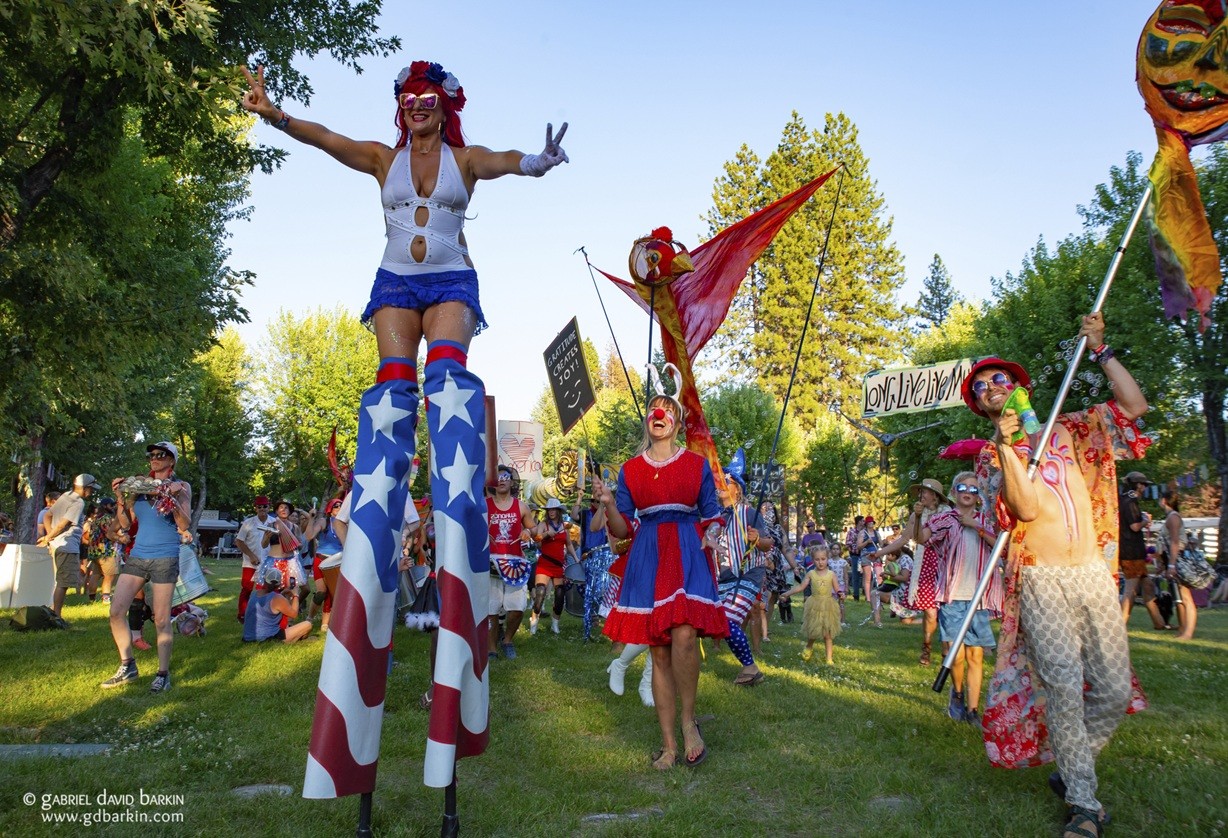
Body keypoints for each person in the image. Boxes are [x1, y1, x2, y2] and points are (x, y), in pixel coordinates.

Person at [242, 62, 568, 785]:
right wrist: (274, 114)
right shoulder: (383, 160)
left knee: (446, 380)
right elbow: (325, 139)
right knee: (393, 388)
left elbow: (510, 163)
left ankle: (451, 497)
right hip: (395, 282)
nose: (416, 110)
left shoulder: (462, 160)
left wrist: (541, 162)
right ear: (400, 109)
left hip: (450, 282)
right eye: (407, 102)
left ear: (443, 108)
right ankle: (385, 490)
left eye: (427, 102)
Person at [966, 312, 1149, 838]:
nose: (989, 387)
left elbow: (1135, 408)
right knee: (1065, 691)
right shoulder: (988, 459)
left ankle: (1073, 770)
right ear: (980, 406)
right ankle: (1084, 808)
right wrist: (1006, 448)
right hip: (1043, 582)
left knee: (1113, 690)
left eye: (997, 379)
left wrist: (1101, 349)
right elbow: (1022, 512)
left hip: (1092, 574)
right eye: (980, 388)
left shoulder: (1072, 429)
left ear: (1018, 386)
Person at [595, 387, 728, 771]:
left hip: (686, 549)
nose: (659, 414)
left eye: (667, 410)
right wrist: (607, 504)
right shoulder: (631, 469)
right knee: (657, 649)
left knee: (684, 636)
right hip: (649, 552)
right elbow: (621, 529)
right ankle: (668, 745)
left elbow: (711, 513)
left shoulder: (696, 465)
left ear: (677, 422)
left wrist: (713, 535)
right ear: (647, 420)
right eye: (654, 409)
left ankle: (689, 723)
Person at [103, 442, 191, 693]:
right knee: (116, 611)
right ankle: (127, 665)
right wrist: (121, 498)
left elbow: (184, 525)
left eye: (160, 455)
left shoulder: (181, 487)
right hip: (138, 555)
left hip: (165, 555)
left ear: (171, 461)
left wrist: (171, 497)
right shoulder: (138, 485)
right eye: (151, 455)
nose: (154, 458)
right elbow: (124, 522)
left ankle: (163, 674)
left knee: (162, 618)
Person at [918, 472, 1002, 727]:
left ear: (979, 496)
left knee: (976, 655)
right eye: (962, 487)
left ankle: (973, 709)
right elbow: (922, 538)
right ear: (954, 492)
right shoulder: (945, 518)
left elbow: (1002, 547)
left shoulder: (986, 520)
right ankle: (956, 694)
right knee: (956, 654)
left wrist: (974, 525)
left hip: (978, 597)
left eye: (974, 489)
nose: (968, 491)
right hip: (953, 595)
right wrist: (919, 516)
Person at [487, 465, 540, 660]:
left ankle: (507, 640)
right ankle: (491, 648)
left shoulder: (521, 506)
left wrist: (528, 532)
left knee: (517, 608)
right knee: (491, 609)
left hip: (515, 564)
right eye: (497, 477)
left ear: (511, 481)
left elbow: (534, 529)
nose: (501, 480)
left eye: (505, 476)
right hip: (491, 563)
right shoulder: (485, 505)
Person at [38, 474, 99, 618]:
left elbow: (48, 516)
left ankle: (54, 613)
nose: (92, 492)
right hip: (68, 545)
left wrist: (50, 537)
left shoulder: (66, 496)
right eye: (91, 489)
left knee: (59, 580)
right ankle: (57, 616)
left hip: (57, 544)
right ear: (85, 488)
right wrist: (48, 537)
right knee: (63, 582)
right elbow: (62, 524)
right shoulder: (78, 503)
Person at [1118, 472, 1165, 629]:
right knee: (1130, 590)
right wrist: (1146, 521)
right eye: (1144, 485)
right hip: (1131, 552)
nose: (1145, 488)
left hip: (1134, 551)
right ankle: (1120, 625)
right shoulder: (1130, 502)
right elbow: (1134, 526)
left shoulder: (1123, 499)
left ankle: (1159, 623)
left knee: (1148, 586)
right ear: (1138, 485)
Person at [785, 545, 841, 664]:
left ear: (827, 558)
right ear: (813, 559)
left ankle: (829, 659)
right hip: (815, 604)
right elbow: (801, 586)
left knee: (828, 633)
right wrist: (787, 593)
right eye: (817, 559)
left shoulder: (831, 574)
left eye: (823, 559)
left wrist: (841, 593)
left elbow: (837, 588)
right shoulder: (811, 573)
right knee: (814, 631)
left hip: (828, 605)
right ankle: (809, 646)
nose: (820, 562)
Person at [531, 497, 577, 636]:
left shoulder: (564, 526)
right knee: (540, 593)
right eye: (549, 510)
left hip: (558, 565)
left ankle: (555, 624)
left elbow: (568, 544)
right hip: (545, 563)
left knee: (559, 595)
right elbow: (536, 540)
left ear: (558, 511)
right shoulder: (543, 524)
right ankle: (534, 621)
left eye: (553, 509)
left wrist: (576, 558)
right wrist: (545, 534)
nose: (551, 512)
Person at [1157, 488, 1197, 641]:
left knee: (1186, 598)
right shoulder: (1171, 517)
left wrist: (1172, 565)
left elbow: (1174, 542)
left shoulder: (1173, 517)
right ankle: (1184, 630)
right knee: (1182, 596)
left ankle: (1188, 633)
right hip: (1174, 559)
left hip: (1179, 560)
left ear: (1164, 500)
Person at [303, 497, 345, 631]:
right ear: (330, 510)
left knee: (333, 593)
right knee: (321, 591)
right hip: (321, 560)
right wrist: (311, 519)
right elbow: (309, 536)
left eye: (341, 506)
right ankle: (310, 617)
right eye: (336, 506)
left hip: (338, 561)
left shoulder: (346, 523)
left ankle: (325, 624)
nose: (339, 508)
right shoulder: (324, 521)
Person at [246, 565, 314, 643]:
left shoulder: (254, 594)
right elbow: (294, 614)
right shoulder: (277, 598)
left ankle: (298, 638)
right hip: (268, 638)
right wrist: (296, 595)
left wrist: (282, 594)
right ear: (279, 584)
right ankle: (300, 639)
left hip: (248, 637)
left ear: (264, 580)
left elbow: (271, 603)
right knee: (307, 624)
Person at [234, 495, 273, 622]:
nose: (262, 509)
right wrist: (251, 555)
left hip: (268, 561)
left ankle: (261, 614)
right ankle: (242, 614)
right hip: (250, 562)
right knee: (246, 588)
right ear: (255, 508)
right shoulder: (248, 523)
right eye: (259, 506)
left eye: (265, 506)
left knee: (264, 589)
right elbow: (239, 541)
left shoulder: (274, 522)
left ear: (269, 507)